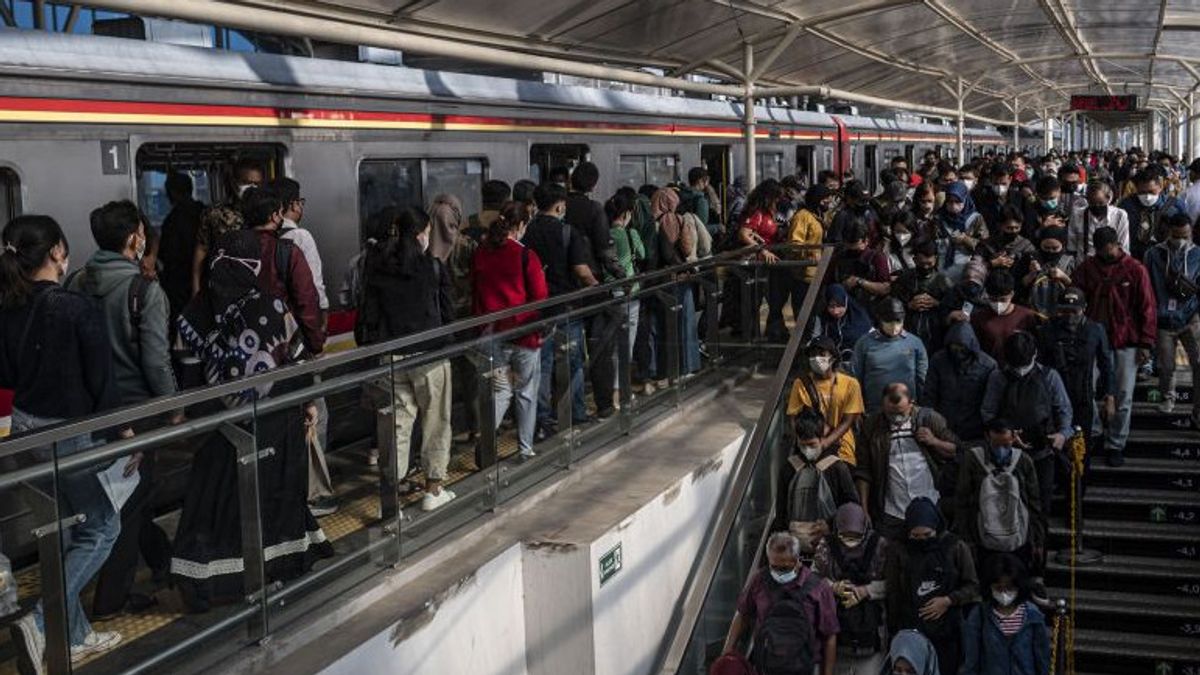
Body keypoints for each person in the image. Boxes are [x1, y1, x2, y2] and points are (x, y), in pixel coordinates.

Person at [173, 185, 333, 613]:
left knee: (222, 485)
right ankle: (279, 562)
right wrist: (310, 386)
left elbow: (195, 340)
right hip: (277, 398)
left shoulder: (208, 282)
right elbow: (305, 328)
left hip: (222, 407)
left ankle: (212, 575)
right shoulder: (278, 280)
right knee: (277, 480)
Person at [1, 215, 126, 668]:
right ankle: (39, 621)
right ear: (57, 252)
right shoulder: (74, 308)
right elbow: (102, 383)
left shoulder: (8, 306)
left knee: (64, 531)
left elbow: (8, 375)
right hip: (70, 433)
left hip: (24, 428)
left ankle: (73, 636)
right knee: (101, 528)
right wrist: (122, 434)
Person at [66, 201, 178, 619]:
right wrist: (173, 407)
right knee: (128, 504)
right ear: (136, 237)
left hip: (92, 409)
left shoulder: (77, 282)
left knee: (127, 495)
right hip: (136, 410)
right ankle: (111, 600)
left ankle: (163, 559)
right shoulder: (145, 291)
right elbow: (155, 359)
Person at [359, 207, 458, 511]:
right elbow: (448, 312)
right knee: (436, 422)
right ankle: (433, 489)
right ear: (420, 235)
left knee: (396, 428)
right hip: (430, 356)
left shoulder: (377, 267)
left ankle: (391, 502)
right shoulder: (434, 267)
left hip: (391, 359)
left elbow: (369, 315)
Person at [271, 178, 337, 516]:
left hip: (270, 348)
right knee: (316, 412)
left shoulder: (256, 241)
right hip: (299, 345)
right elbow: (315, 293)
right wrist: (317, 342)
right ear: (291, 206)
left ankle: (280, 487)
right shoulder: (300, 238)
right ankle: (312, 493)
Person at [1072, 226, 1156, 467]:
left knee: (1123, 396)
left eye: (1107, 249)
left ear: (1117, 244)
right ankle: (1096, 432)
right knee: (1085, 389)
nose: (1104, 253)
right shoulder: (1087, 267)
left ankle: (1116, 444)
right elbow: (1076, 294)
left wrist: (1146, 343)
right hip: (1094, 340)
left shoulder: (1135, 269)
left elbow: (1147, 307)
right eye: (1099, 250)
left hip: (1126, 341)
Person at [472, 201, 549, 460]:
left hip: (491, 334)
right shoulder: (527, 255)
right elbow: (540, 297)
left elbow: (475, 293)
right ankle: (525, 450)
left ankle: (485, 440)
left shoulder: (482, 252)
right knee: (526, 392)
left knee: (500, 391)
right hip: (524, 334)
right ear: (521, 225)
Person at [523, 182, 597, 437]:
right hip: (567, 308)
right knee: (572, 362)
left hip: (537, 310)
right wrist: (596, 286)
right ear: (559, 205)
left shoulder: (527, 232)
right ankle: (573, 413)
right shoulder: (568, 232)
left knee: (541, 367)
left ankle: (541, 419)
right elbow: (581, 270)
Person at [722, 531, 840, 675]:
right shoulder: (759, 580)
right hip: (765, 665)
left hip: (805, 667)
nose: (779, 572)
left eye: (785, 568)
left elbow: (830, 634)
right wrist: (727, 651)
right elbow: (742, 614)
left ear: (797, 561)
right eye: (774, 567)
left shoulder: (819, 587)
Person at [884, 497, 978, 675]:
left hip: (946, 635)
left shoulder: (955, 547)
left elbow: (972, 586)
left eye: (927, 535)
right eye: (916, 536)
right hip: (911, 634)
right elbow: (893, 593)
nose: (922, 541)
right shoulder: (899, 550)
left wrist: (948, 600)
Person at [854, 383, 958, 541]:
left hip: (928, 503)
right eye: (891, 413)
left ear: (911, 403)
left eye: (901, 413)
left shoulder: (928, 418)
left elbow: (956, 450)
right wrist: (864, 508)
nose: (896, 418)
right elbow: (864, 470)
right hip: (893, 510)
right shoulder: (872, 426)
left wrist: (934, 441)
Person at [954, 418, 1044, 586]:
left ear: (1013, 438)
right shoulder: (973, 459)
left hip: (1018, 536)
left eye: (1006, 444)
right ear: (987, 438)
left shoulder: (1023, 461)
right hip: (982, 536)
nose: (1001, 450)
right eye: (996, 445)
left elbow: (1033, 502)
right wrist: (966, 538)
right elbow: (963, 500)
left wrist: (1037, 540)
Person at [812, 503, 888, 675]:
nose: (850, 540)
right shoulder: (826, 546)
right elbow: (813, 580)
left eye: (856, 536)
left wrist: (865, 591)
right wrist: (834, 587)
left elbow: (892, 584)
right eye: (845, 535)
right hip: (836, 631)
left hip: (872, 629)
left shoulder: (880, 546)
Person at [1037, 287, 1115, 454]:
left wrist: (1110, 397)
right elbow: (1040, 363)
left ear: (1084, 308)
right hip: (1054, 394)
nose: (1069, 316)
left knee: (1081, 446)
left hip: (1082, 394)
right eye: (1064, 311)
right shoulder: (1048, 328)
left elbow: (1106, 365)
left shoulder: (1095, 330)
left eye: (1074, 311)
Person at [774, 409, 859, 556]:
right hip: (796, 546)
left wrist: (831, 524)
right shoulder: (788, 469)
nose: (807, 449)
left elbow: (852, 507)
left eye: (812, 444)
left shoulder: (837, 468)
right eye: (803, 445)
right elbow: (781, 510)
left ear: (822, 439)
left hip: (830, 545)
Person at [1144, 214, 1200, 421]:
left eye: (1184, 235)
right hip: (1163, 318)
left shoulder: (1197, 255)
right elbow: (1147, 285)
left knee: (1199, 362)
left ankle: (1198, 410)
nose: (1181, 240)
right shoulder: (1154, 254)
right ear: (1169, 232)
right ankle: (1167, 397)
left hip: (1190, 316)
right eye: (1176, 235)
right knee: (1166, 365)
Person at [961, 553, 1052, 675]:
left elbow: (1042, 657)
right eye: (998, 588)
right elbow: (971, 659)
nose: (1004, 593)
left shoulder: (1032, 615)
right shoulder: (979, 615)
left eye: (1009, 588)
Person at [787, 337, 865, 465]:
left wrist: (825, 443)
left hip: (842, 449)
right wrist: (804, 444)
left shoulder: (851, 384)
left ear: (833, 358)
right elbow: (793, 418)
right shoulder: (801, 384)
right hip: (809, 448)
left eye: (822, 354)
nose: (816, 358)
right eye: (812, 354)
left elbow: (848, 421)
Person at [191, 157, 263, 296]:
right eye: (246, 182)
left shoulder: (267, 214)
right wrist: (196, 289)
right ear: (234, 182)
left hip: (258, 288)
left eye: (256, 184)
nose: (252, 188)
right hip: (223, 288)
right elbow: (201, 250)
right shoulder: (215, 213)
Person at [925, 322, 998, 447]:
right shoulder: (939, 360)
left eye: (962, 347)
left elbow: (991, 402)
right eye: (954, 347)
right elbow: (929, 393)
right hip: (944, 425)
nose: (958, 351)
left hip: (974, 428)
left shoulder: (988, 365)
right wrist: (930, 421)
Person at [851, 298, 928, 414]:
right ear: (880, 320)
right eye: (889, 322)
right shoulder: (864, 343)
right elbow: (855, 379)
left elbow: (923, 379)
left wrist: (922, 410)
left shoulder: (915, 343)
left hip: (908, 411)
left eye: (898, 322)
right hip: (874, 411)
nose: (894, 326)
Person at [890, 239, 954, 352]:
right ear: (914, 260)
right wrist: (908, 305)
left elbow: (953, 309)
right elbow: (891, 305)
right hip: (907, 332)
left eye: (929, 263)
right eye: (921, 263)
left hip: (935, 335)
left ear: (936, 259)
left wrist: (937, 304)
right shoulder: (904, 279)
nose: (925, 267)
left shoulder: (944, 282)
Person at [157, 171, 204, 321]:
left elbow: (167, 255)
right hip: (206, 279)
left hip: (179, 285)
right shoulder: (205, 212)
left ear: (173, 193)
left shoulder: (172, 221)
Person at [969, 269, 1038, 364]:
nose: (998, 303)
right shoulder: (978, 318)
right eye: (993, 299)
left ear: (1012, 294)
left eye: (1003, 299)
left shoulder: (1026, 316)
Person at [1119, 168, 1182, 260]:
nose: (1147, 197)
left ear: (1160, 187)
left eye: (1152, 192)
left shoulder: (1174, 206)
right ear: (1136, 189)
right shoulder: (1126, 206)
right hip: (1134, 257)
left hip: (1164, 259)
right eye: (1142, 192)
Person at [934, 181, 987, 282]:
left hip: (967, 269)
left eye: (958, 201)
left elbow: (984, 244)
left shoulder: (975, 219)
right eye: (950, 201)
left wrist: (965, 240)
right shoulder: (938, 218)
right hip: (941, 266)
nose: (953, 205)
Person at [1067, 181, 1129, 266]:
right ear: (1087, 200)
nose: (1097, 206)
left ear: (1108, 198)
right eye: (1092, 203)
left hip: (1111, 266)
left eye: (1101, 202)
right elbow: (1072, 245)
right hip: (1085, 266)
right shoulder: (1078, 214)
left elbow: (1123, 246)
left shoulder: (1120, 215)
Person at [811, 284, 873, 369]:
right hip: (831, 366)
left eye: (840, 306)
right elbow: (816, 338)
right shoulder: (822, 318)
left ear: (846, 302)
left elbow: (872, 342)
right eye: (831, 307)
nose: (836, 311)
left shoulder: (861, 317)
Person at [1022, 226, 1075, 318]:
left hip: (1061, 313)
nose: (1050, 251)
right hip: (1032, 312)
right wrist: (1031, 274)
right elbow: (1018, 286)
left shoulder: (1070, 261)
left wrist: (1064, 277)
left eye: (1055, 248)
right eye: (1046, 248)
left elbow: (1077, 289)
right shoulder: (1030, 258)